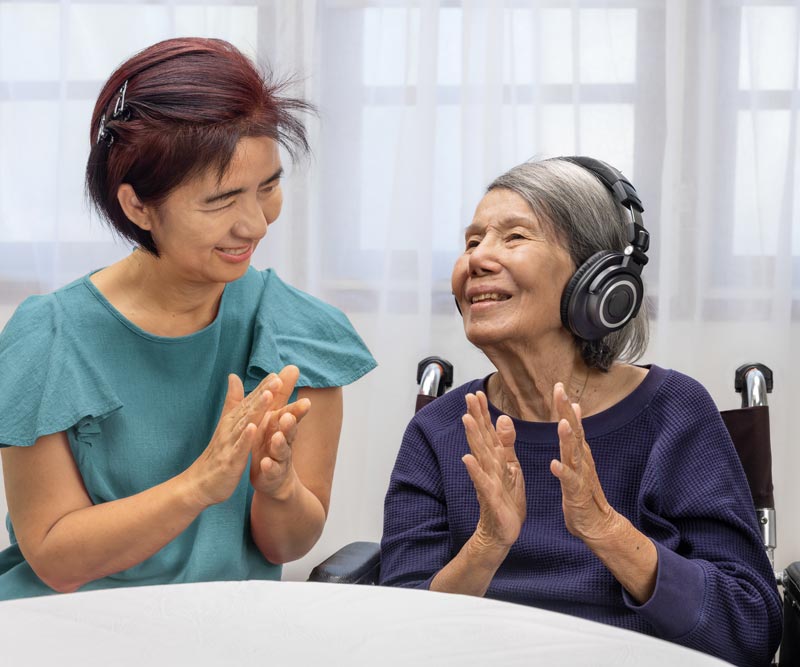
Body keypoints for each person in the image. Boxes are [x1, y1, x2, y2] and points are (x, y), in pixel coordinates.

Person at [0, 37, 376, 600]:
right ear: (137, 206)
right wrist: (202, 483)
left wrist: (277, 488)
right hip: (64, 631)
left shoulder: (298, 330)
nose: (255, 224)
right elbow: (56, 560)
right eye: (221, 201)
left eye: (269, 188)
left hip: (224, 634)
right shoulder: (49, 337)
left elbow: (286, 546)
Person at [379, 156, 781, 667]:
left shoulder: (675, 414)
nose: (478, 258)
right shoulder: (438, 432)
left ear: (597, 278)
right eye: (472, 241)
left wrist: (606, 530)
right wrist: (488, 544)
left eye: (515, 237)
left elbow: (749, 629)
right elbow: (395, 631)